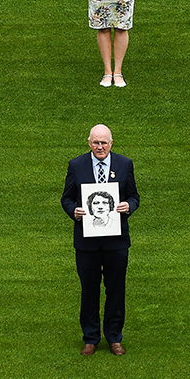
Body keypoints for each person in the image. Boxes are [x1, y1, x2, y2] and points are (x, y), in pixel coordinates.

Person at [61, 124, 140, 356]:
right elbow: (66, 199)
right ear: (89, 143)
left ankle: (114, 337)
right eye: (95, 142)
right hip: (87, 244)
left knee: (116, 290)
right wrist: (74, 211)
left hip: (117, 242)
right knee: (89, 290)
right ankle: (91, 338)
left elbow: (134, 196)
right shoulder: (76, 165)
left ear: (111, 143)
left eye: (104, 142)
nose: (100, 147)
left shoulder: (125, 164)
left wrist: (129, 207)